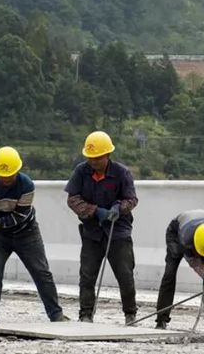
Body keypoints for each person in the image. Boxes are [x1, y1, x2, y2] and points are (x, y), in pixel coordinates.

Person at [0, 146, 68, 323]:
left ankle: (56, 315)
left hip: (27, 234)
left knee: (41, 273)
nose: (7, 179)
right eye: (3, 176)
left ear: (18, 170)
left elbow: (20, 216)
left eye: (10, 176)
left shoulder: (26, 185)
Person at [64, 131, 139, 324]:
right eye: (91, 158)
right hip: (92, 232)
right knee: (87, 275)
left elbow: (132, 199)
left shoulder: (122, 173)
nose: (94, 162)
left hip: (118, 232)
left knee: (125, 274)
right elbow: (73, 199)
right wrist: (94, 211)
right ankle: (86, 314)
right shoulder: (81, 171)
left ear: (107, 155)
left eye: (98, 158)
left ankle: (130, 314)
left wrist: (119, 208)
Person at [155, 209, 204, 334]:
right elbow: (193, 260)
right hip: (176, 232)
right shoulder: (185, 238)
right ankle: (161, 319)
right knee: (170, 273)